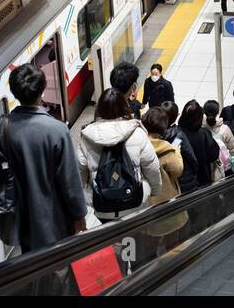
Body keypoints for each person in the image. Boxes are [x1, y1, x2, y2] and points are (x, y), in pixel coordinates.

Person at [0, 63, 88, 251]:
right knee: (54, 266)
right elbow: (70, 181)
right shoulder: (57, 131)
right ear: (42, 91)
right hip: (52, 220)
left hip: (15, 217)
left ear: (14, 92)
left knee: (27, 261)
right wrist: (79, 215)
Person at [78, 88, 162, 222]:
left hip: (102, 204)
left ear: (100, 109)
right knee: (133, 236)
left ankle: (117, 243)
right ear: (125, 107)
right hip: (133, 200)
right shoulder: (137, 133)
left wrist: (84, 195)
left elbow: (80, 171)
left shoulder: (87, 137)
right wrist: (155, 191)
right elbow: (151, 167)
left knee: (111, 236)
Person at [140, 107, 186, 242]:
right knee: (171, 242)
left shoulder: (137, 144)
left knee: (149, 244)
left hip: (144, 205)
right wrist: (177, 151)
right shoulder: (165, 148)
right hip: (165, 203)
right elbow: (177, 170)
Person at [178, 100, 222, 187]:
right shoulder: (204, 133)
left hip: (183, 179)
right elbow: (213, 155)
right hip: (202, 176)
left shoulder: (177, 133)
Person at [162, 101, 201, 195]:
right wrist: (195, 171)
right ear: (176, 116)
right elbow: (191, 156)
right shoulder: (178, 135)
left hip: (165, 179)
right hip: (184, 178)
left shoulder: (155, 132)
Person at [204, 99, 234, 179]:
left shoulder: (202, 130)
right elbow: (233, 150)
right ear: (217, 112)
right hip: (225, 167)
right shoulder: (225, 129)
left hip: (208, 168)